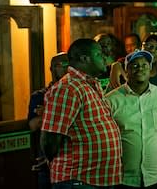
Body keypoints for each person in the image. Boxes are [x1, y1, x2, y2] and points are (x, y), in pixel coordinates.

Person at [41, 38, 122, 188]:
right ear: (85, 58)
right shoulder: (68, 88)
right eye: (99, 54)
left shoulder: (90, 83)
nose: (104, 57)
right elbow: (50, 140)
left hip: (93, 180)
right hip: (78, 180)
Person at [106, 50, 157, 188]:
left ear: (150, 69)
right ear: (126, 70)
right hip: (123, 179)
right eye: (135, 65)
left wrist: (154, 140)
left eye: (144, 65)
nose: (140, 68)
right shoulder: (111, 100)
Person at [27, 52, 69, 189]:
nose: (64, 68)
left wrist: (47, 112)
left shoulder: (75, 93)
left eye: (67, 64)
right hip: (46, 158)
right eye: (59, 65)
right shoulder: (39, 96)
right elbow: (33, 125)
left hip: (71, 158)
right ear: (51, 69)